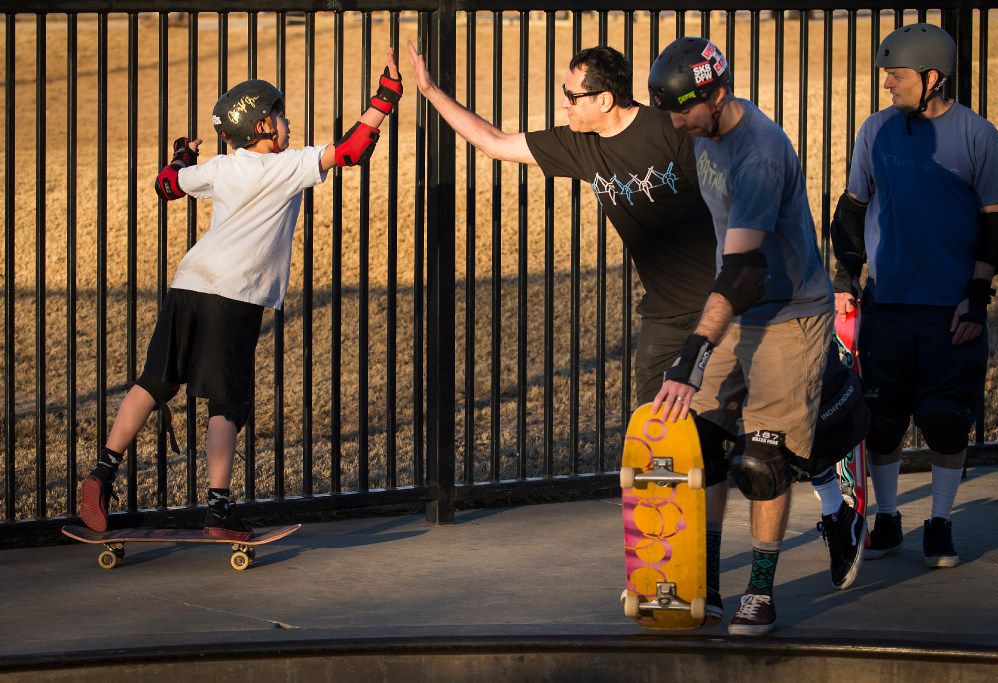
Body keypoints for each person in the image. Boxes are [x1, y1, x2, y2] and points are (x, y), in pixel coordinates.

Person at [78, 49, 404, 541]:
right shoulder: (288, 166)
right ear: (261, 129)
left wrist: (182, 157)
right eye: (279, 116)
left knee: (154, 381)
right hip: (234, 296)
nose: (287, 122)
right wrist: (386, 96)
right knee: (226, 402)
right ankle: (218, 511)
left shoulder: (222, 167)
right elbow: (352, 149)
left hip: (188, 285)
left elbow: (168, 185)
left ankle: (100, 474)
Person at [648, 36, 863, 636]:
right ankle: (709, 585)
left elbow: (745, 271)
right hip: (739, 309)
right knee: (706, 448)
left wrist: (692, 354)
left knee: (763, 463)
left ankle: (761, 592)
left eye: (682, 110)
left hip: (790, 312)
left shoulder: (759, 154)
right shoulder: (701, 130)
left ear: (716, 95)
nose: (675, 123)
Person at [405, 41, 718, 409]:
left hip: (716, 305)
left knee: (721, 423)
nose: (564, 103)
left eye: (572, 95)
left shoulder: (669, 131)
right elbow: (495, 143)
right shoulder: (578, 144)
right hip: (664, 316)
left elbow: (728, 206)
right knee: (654, 428)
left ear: (603, 100)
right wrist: (430, 91)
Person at [833, 23, 998, 568]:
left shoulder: (977, 135)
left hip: (949, 309)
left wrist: (976, 296)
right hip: (886, 304)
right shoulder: (875, 131)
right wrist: (848, 280)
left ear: (932, 78)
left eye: (897, 74)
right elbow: (851, 213)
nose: (887, 83)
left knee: (945, 420)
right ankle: (888, 518)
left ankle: (939, 523)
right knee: (883, 422)